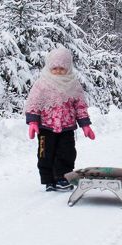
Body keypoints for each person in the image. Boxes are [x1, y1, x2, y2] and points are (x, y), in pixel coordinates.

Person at [24, 46, 95, 192]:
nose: (58, 71)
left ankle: (63, 178)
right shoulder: (42, 84)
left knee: (67, 153)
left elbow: (80, 106)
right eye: (55, 68)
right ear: (49, 67)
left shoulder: (73, 84)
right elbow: (34, 103)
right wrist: (33, 122)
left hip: (67, 127)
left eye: (62, 68)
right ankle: (48, 179)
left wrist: (85, 125)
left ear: (68, 68)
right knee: (45, 153)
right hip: (45, 127)